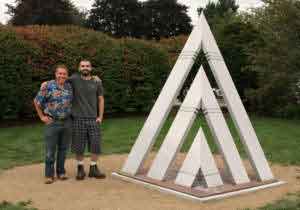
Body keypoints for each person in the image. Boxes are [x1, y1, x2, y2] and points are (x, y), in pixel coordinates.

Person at [33, 65, 73, 184]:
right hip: (52, 122)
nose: (62, 76)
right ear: (55, 74)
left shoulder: (69, 86)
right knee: (50, 150)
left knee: (63, 149)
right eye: (59, 73)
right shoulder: (48, 86)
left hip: (66, 122)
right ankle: (49, 175)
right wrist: (41, 116)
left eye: (64, 74)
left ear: (67, 75)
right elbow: (36, 101)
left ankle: (61, 172)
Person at [69, 59, 106, 180]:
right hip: (78, 118)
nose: (85, 67)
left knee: (95, 144)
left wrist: (100, 116)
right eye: (83, 66)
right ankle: (80, 169)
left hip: (93, 119)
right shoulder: (74, 79)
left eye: (87, 66)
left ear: (91, 68)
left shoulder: (97, 81)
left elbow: (101, 99)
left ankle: (93, 168)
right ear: (79, 68)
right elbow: (60, 79)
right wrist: (46, 83)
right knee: (79, 146)